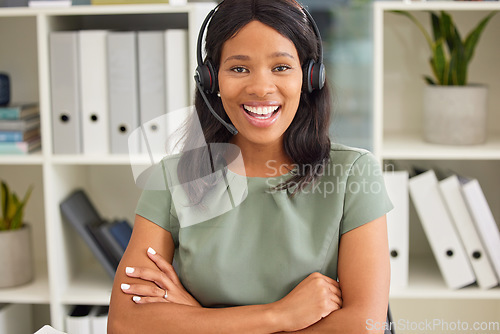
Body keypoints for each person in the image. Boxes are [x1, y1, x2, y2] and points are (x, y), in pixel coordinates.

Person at [108, 0, 393, 333]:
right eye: (239, 68)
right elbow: (125, 323)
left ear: (310, 76)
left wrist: (194, 317)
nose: (260, 88)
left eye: (281, 67)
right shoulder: (172, 179)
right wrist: (280, 316)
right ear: (211, 80)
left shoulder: (353, 174)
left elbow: (365, 326)